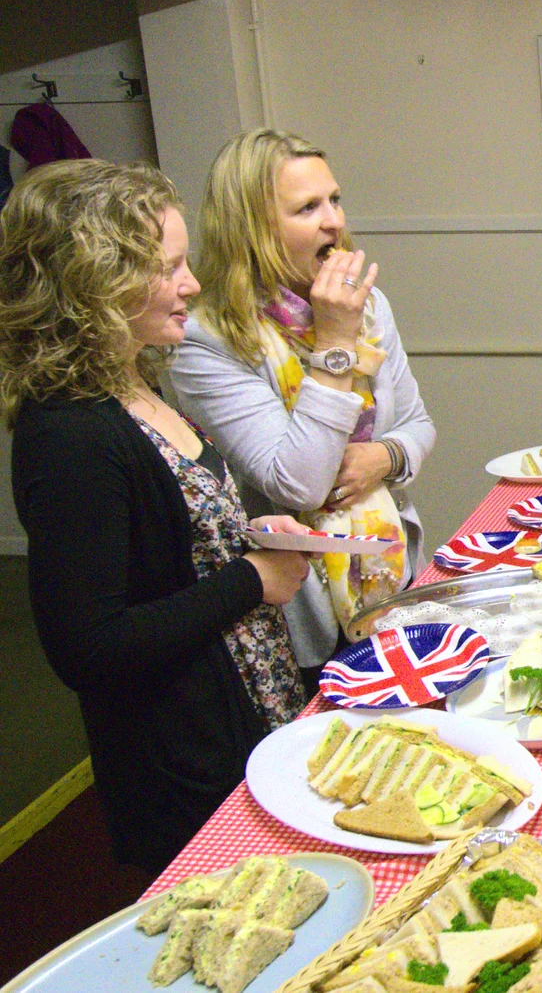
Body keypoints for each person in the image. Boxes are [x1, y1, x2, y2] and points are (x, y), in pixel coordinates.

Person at [0, 160, 311, 872]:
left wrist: (254, 540)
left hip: (243, 712)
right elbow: (90, 647)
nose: (192, 284)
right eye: (168, 267)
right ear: (95, 286)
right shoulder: (72, 434)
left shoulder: (137, 381)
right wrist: (250, 581)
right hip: (180, 760)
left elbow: (175, 549)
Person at [171, 129, 436, 687]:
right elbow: (299, 485)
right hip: (299, 607)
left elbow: (418, 425)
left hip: (390, 568)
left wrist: (384, 456)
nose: (334, 222)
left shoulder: (368, 305)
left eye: (334, 200)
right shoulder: (205, 339)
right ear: (253, 229)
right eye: (308, 208)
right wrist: (335, 342)